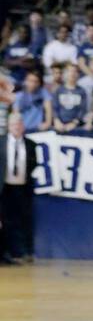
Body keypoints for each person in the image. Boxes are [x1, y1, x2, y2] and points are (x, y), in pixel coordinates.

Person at [1, 113, 37, 263]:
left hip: (22, 189)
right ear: (8, 126)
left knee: (22, 221)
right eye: (14, 124)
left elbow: (33, 165)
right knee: (4, 221)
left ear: (23, 126)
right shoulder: (1, 142)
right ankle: (4, 253)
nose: (16, 127)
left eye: (19, 124)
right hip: (4, 189)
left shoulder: (31, 144)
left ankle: (21, 253)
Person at [52, 65, 88, 131]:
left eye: (75, 71)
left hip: (76, 127)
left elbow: (83, 109)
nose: (72, 73)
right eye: (70, 71)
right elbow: (54, 107)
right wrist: (57, 121)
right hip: (59, 125)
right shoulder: (59, 90)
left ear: (78, 74)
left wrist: (74, 123)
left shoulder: (82, 91)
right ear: (65, 74)